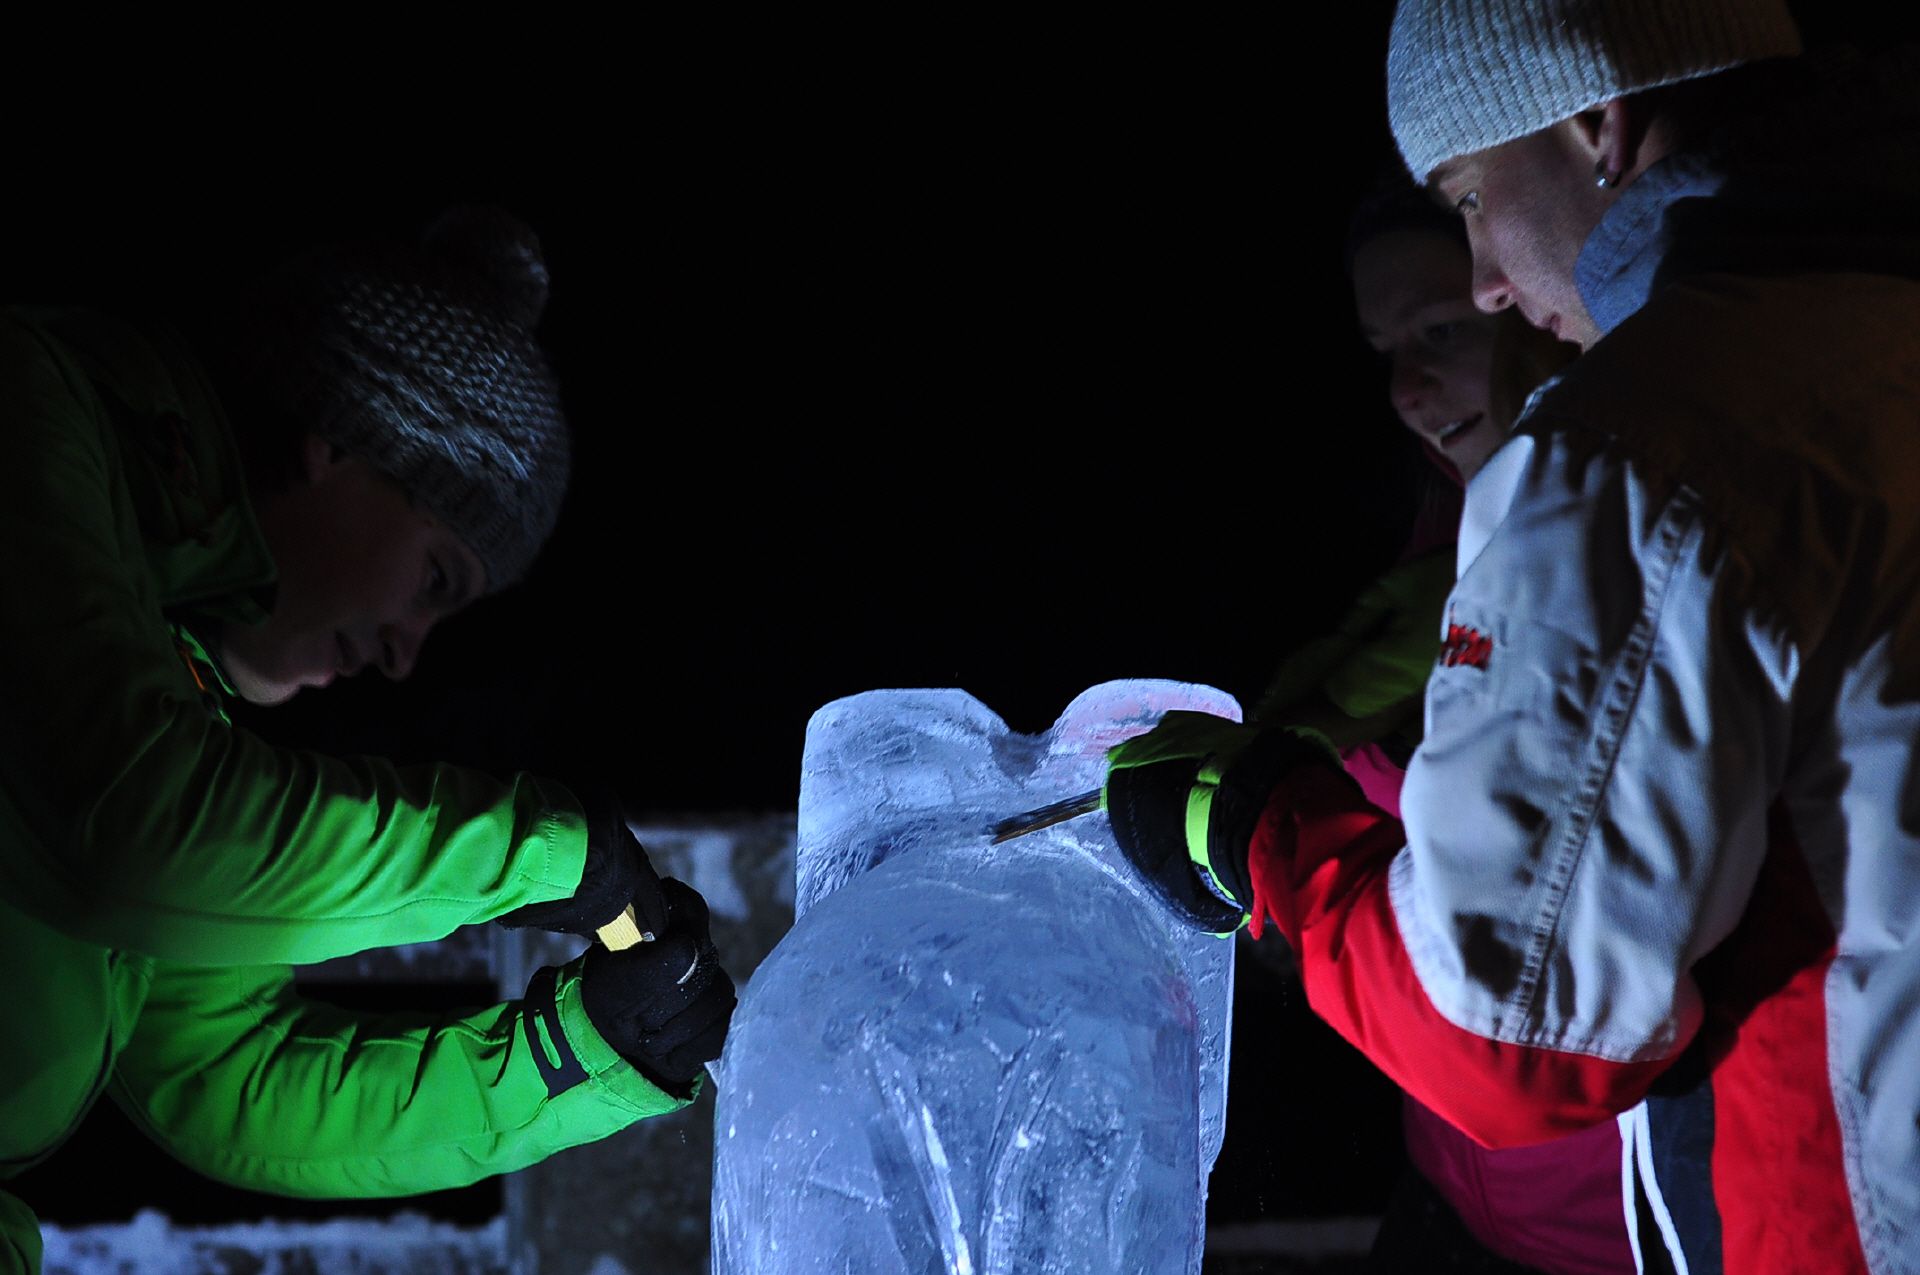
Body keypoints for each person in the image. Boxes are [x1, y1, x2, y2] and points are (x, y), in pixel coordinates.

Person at [1102, 4, 1920, 1272]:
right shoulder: (1878, 339)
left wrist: (1256, 824)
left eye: (1473, 196)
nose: (1485, 279)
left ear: (1600, 122)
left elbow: (1509, 1033)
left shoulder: (1642, 441)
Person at [0, 207, 737, 1274]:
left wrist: (576, 1050)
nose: (405, 654)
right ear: (341, 437)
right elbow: (121, 826)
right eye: (436, 581)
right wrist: (535, 853)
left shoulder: (171, 679)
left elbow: (225, 1075)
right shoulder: (27, 414)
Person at [1259, 183, 1624, 1274]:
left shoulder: (1632, 564)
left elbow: (1528, 983)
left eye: (1441, 331)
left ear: (1538, 304)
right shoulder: (1423, 566)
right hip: (1451, 1200)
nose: (1408, 386)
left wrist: (1263, 824)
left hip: (1620, 1232)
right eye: (1385, 348)